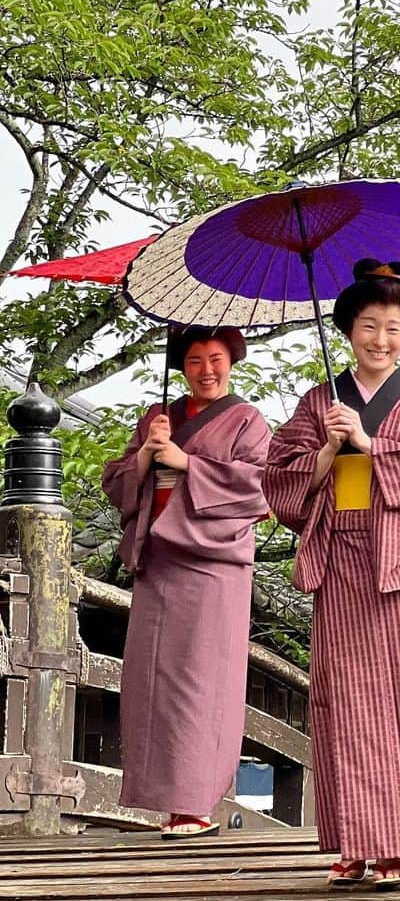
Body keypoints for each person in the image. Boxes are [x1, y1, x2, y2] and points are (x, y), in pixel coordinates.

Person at [262, 259, 400, 888]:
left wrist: (370, 443)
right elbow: (281, 479)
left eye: (393, 328)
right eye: (369, 326)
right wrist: (329, 447)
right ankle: (354, 842)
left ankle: (399, 844)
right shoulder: (318, 401)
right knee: (346, 701)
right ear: (348, 329)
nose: (381, 340)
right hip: (345, 554)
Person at [102, 327, 270, 839]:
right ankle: (166, 801)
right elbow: (118, 482)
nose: (206, 370)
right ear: (182, 366)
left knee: (201, 683)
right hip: (157, 561)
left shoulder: (248, 421)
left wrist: (188, 464)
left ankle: (196, 803)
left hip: (212, 565)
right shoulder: (160, 418)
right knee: (152, 683)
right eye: (194, 360)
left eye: (215, 359)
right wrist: (147, 457)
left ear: (232, 361)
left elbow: (261, 486)